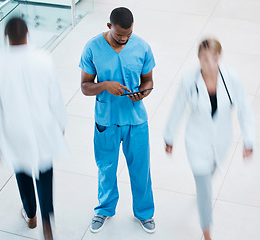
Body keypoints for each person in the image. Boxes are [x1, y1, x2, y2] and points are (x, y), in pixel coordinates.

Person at [0, 17, 68, 240]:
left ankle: (30, 216)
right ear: (28, 32)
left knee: (22, 172)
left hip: (14, 131)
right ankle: (47, 222)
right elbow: (55, 96)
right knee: (45, 173)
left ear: (5, 36)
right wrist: (60, 123)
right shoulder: (43, 59)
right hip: (42, 127)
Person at [164, 39, 255, 240]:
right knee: (204, 187)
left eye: (214, 58)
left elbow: (244, 110)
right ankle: (207, 234)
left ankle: (202, 186)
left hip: (221, 141)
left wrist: (249, 140)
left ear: (219, 57)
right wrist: (169, 136)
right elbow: (178, 107)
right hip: (196, 140)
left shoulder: (232, 78)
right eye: (205, 59)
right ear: (199, 58)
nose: (210, 63)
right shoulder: (190, 79)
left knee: (209, 173)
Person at [79, 7, 156, 233]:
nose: (124, 39)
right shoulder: (92, 48)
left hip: (136, 121)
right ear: (109, 26)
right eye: (120, 35)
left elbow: (148, 80)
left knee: (141, 169)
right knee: (106, 168)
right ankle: (104, 209)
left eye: (128, 35)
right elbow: (84, 86)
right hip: (107, 121)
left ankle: (145, 213)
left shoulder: (142, 47)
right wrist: (104, 85)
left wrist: (143, 92)